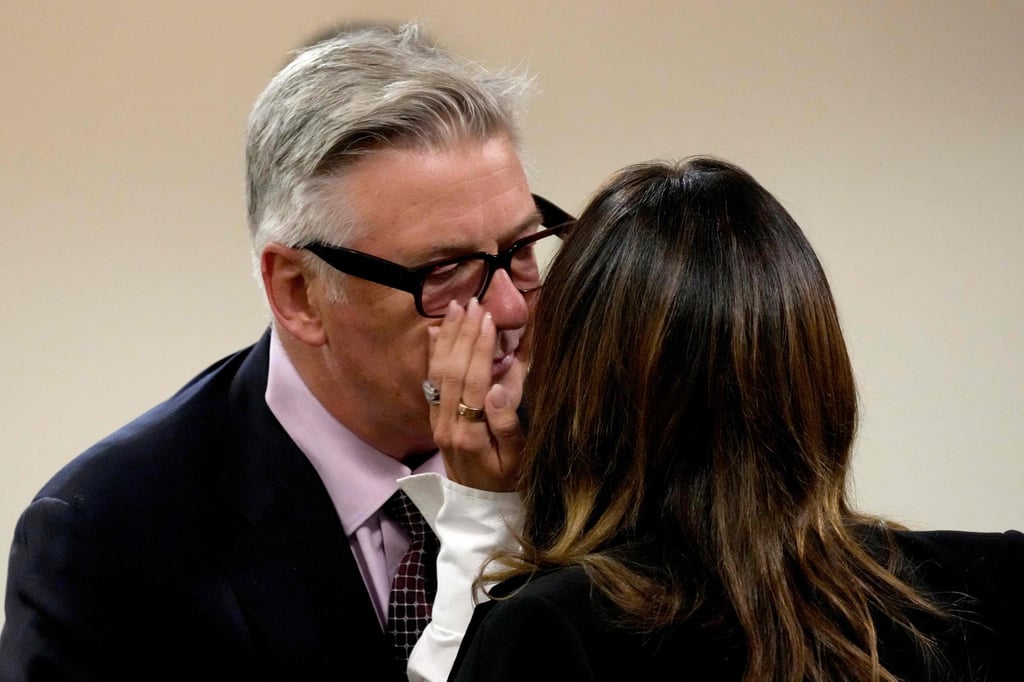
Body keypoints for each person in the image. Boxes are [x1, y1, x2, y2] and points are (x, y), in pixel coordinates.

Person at [0, 23, 572, 681]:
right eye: (444, 271)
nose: (510, 309)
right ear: (298, 292)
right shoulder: (110, 537)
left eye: (521, 251)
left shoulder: (593, 458)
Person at [413, 156, 1023, 681]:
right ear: (812, 366)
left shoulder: (549, 631)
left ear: (579, 389)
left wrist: (483, 521)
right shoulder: (996, 583)